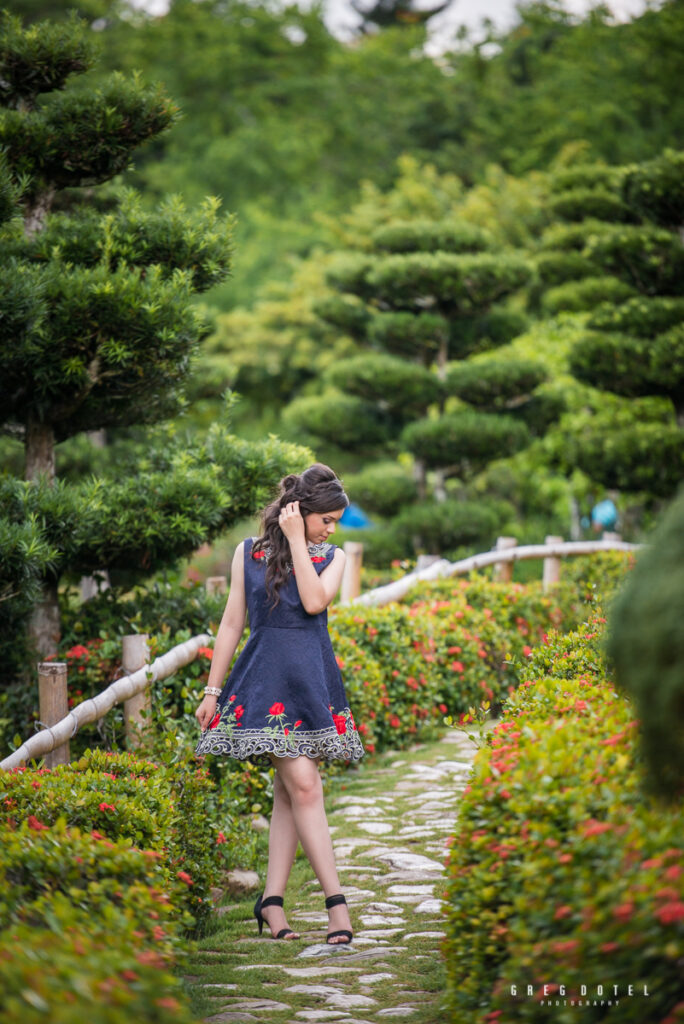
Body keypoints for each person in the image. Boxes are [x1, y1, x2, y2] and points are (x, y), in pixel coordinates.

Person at [194, 463, 364, 945]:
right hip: (266, 686)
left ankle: (271, 902)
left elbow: (313, 602)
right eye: (325, 519)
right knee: (306, 785)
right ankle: (338, 907)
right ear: (300, 510)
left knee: (291, 792)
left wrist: (297, 542)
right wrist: (212, 691)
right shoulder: (247, 554)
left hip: (310, 681)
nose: (331, 529)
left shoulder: (333, 558)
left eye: (335, 521)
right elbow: (231, 624)